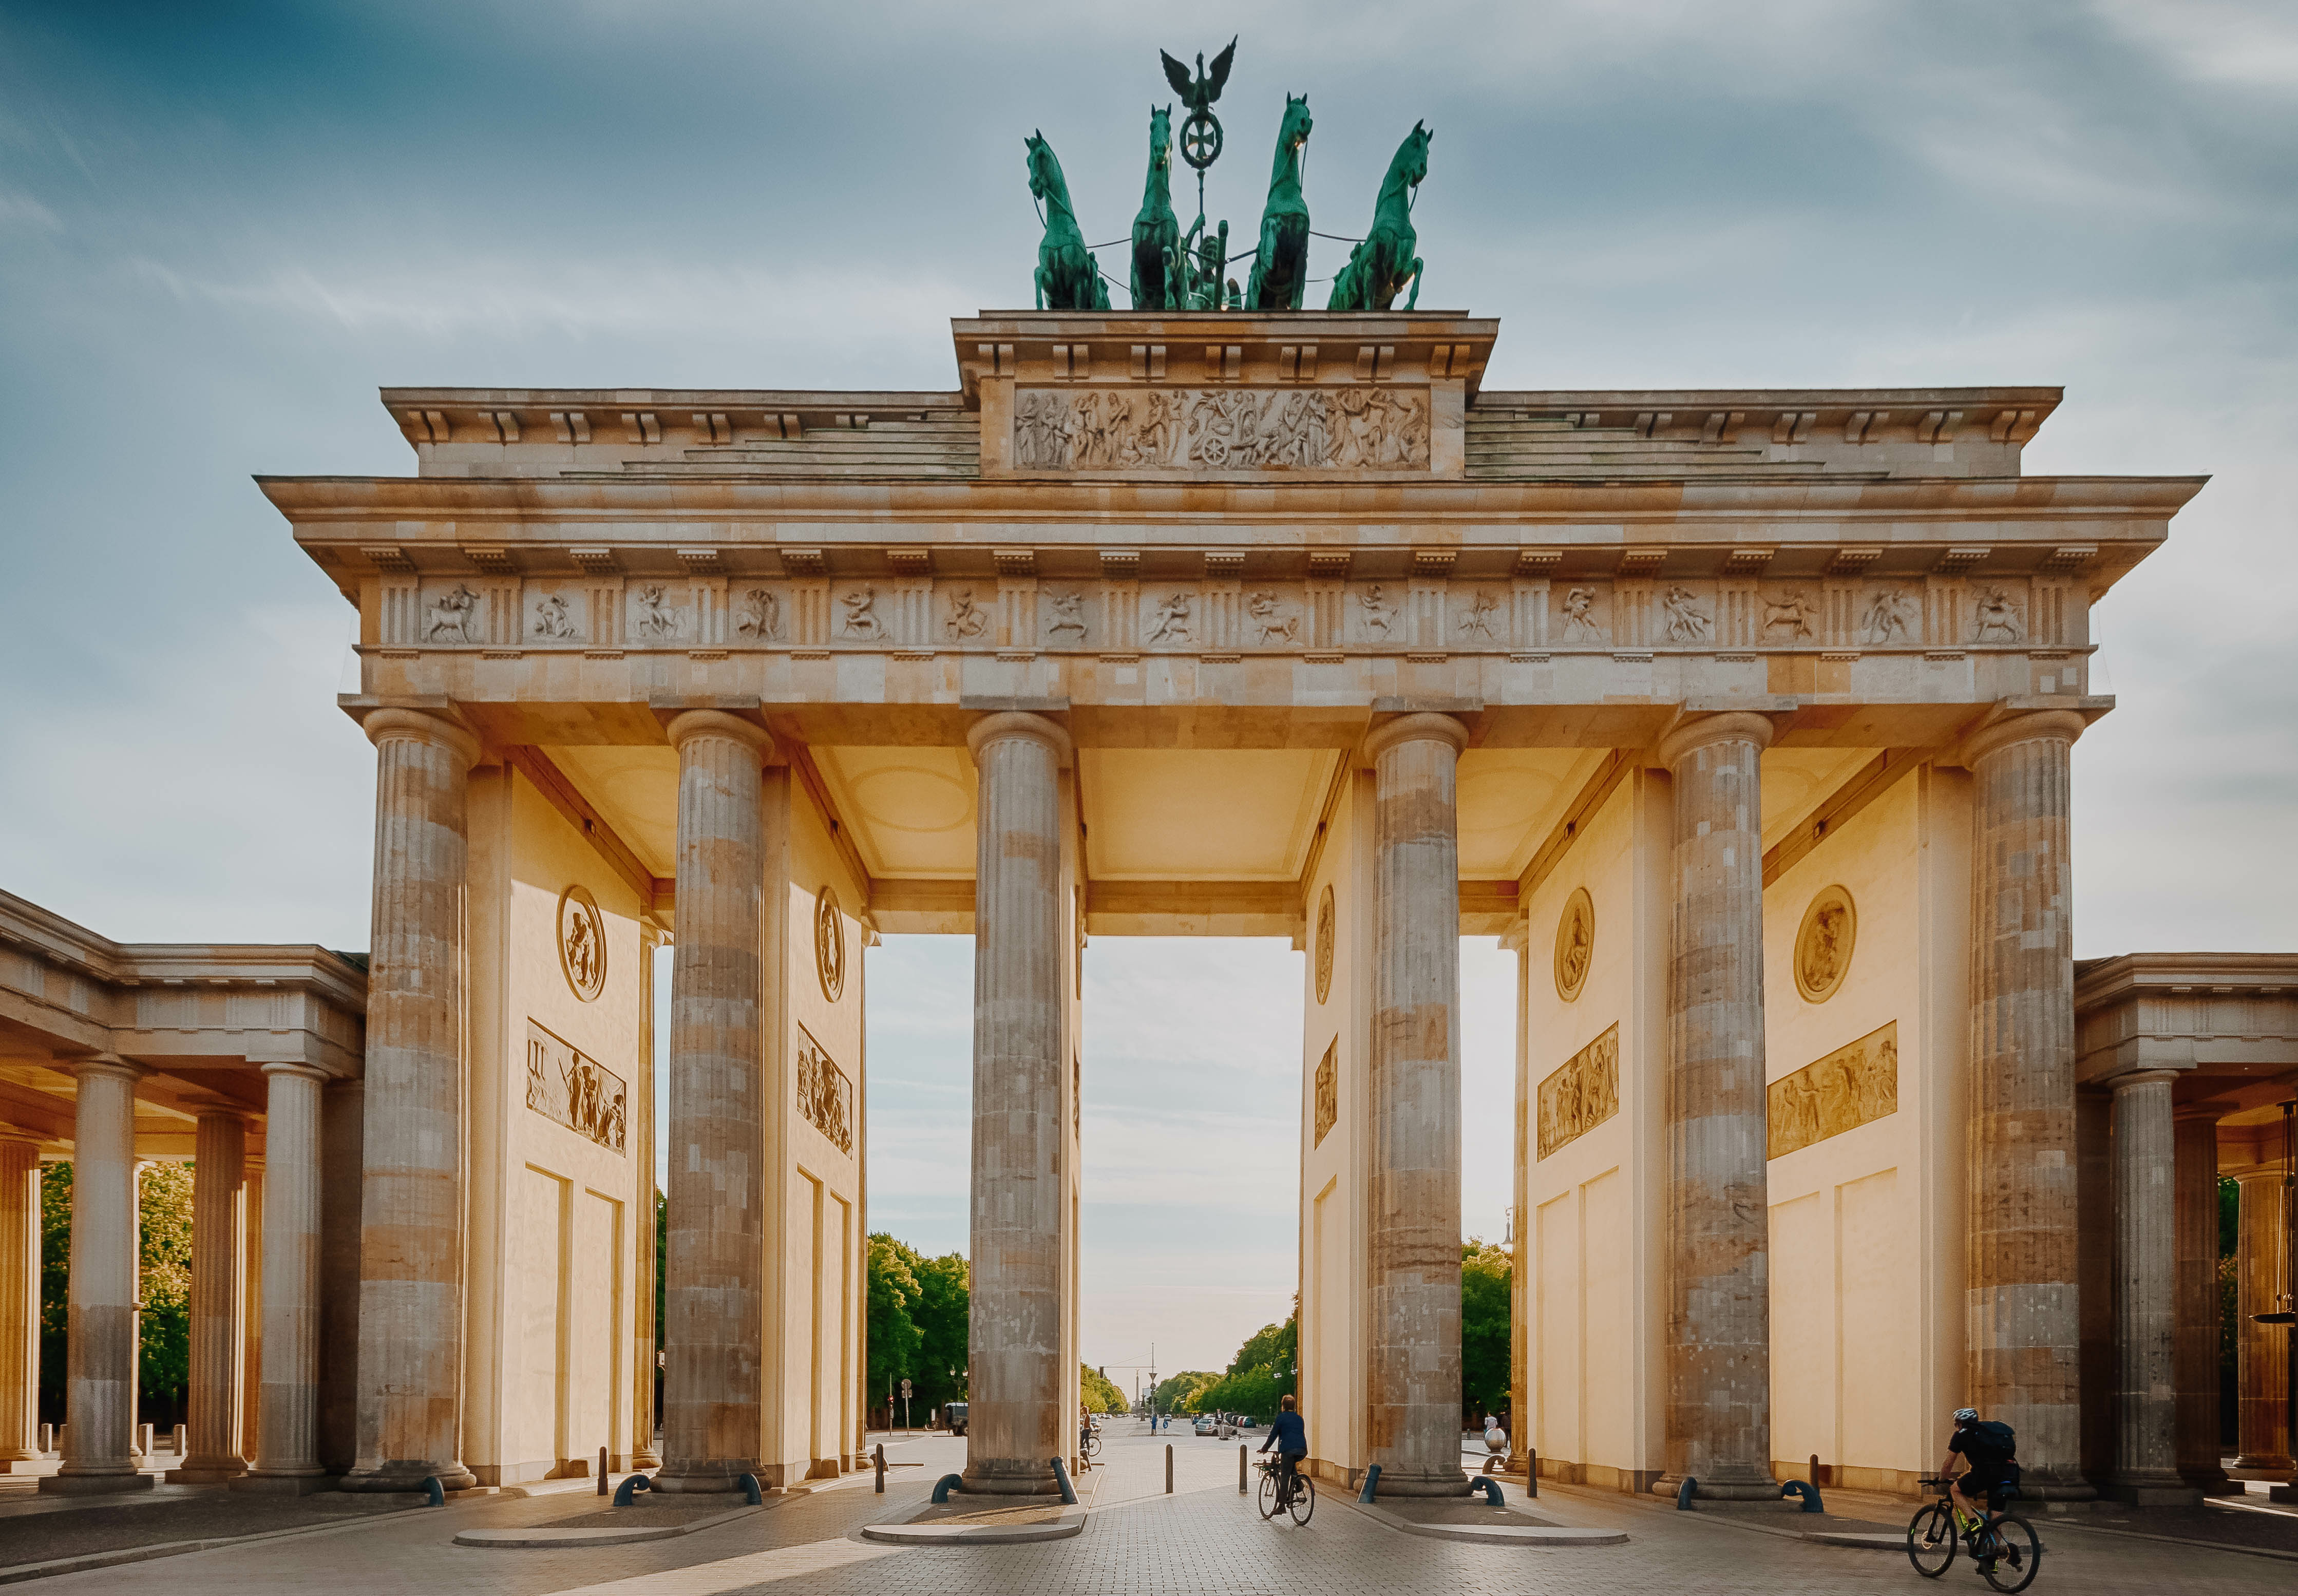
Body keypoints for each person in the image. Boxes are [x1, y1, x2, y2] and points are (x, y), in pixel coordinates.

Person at [1940, 1407, 2020, 1539]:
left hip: (1986, 1474)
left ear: (1960, 1423)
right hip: (2010, 1472)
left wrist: (1942, 1479)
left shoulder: (1961, 1435)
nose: (1956, 1427)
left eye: (1956, 1424)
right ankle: (1996, 1553)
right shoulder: (1988, 1430)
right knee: (1996, 1514)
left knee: (1955, 1490)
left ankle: (1973, 1522)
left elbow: (1949, 1463)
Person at [1260, 1393, 1308, 1499]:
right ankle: (1299, 1484)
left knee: (1285, 1477)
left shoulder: (1281, 1418)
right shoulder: (1299, 1419)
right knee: (1291, 1465)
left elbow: (1273, 1435)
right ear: (1294, 1406)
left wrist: (1265, 1449)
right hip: (1303, 1450)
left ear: (1283, 1407)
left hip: (1289, 1450)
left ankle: (1281, 1505)